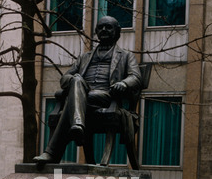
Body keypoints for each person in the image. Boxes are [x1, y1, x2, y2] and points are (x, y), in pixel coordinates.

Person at [34, 16, 142, 166]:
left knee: (70, 103)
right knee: (76, 79)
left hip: (106, 96)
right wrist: (73, 81)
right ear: (96, 31)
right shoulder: (85, 57)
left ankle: (52, 152)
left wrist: (123, 83)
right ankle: (77, 124)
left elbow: (136, 77)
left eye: (108, 27)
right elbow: (65, 78)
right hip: (84, 95)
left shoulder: (126, 56)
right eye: (100, 27)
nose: (103, 30)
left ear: (117, 32)